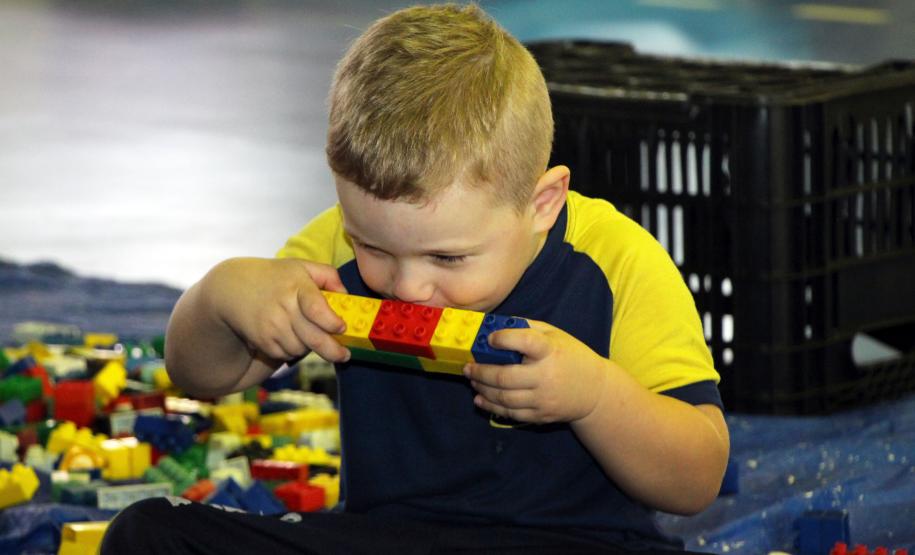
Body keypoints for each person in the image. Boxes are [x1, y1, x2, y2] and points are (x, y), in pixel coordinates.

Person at [101, 4, 729, 554]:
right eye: (373, 245)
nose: (406, 289)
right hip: (382, 538)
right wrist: (220, 297)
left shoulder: (615, 259)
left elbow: (697, 477)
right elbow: (200, 375)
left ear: (542, 204)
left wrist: (596, 395)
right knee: (147, 533)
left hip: (576, 543)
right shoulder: (334, 249)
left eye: (448, 259)